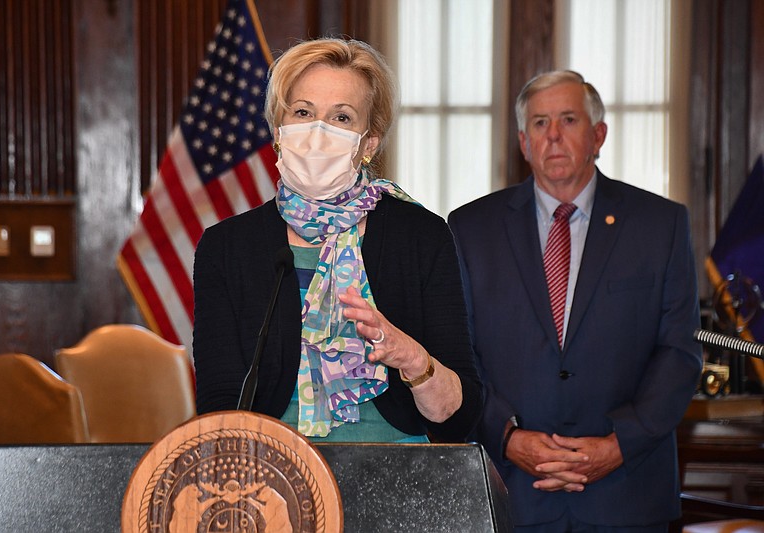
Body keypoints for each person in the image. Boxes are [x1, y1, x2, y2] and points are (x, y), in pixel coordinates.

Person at [192, 37, 482, 444]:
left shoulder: (421, 237)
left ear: (368, 144)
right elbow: (220, 407)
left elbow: (460, 419)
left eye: (341, 118)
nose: (317, 133)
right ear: (279, 130)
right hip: (275, 475)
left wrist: (410, 357)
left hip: (397, 478)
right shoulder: (227, 248)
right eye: (303, 112)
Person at [448, 70, 703, 531]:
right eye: (540, 124)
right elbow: (459, 354)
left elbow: (679, 353)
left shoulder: (659, 225)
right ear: (524, 143)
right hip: (510, 493)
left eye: (569, 119)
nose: (554, 136)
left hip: (626, 493)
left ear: (598, 134)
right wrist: (507, 437)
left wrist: (619, 444)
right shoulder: (471, 228)